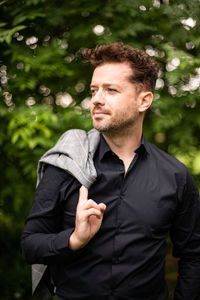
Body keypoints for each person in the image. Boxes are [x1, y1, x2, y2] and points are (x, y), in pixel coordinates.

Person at [21, 42, 200, 300]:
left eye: (111, 90)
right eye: (94, 90)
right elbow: (30, 245)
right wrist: (73, 240)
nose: (96, 99)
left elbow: (193, 253)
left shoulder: (175, 176)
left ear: (144, 101)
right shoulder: (67, 165)